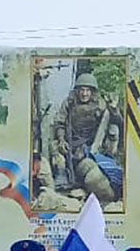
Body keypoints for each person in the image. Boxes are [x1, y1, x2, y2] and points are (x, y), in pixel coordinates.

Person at [48, 71, 124, 204]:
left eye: (88, 90)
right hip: (71, 146)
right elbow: (60, 123)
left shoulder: (100, 104)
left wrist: (114, 110)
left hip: (92, 148)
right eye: (82, 90)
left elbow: (117, 122)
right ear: (77, 91)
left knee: (95, 174)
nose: (84, 94)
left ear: (92, 92)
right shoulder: (69, 103)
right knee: (58, 157)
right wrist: (62, 140)